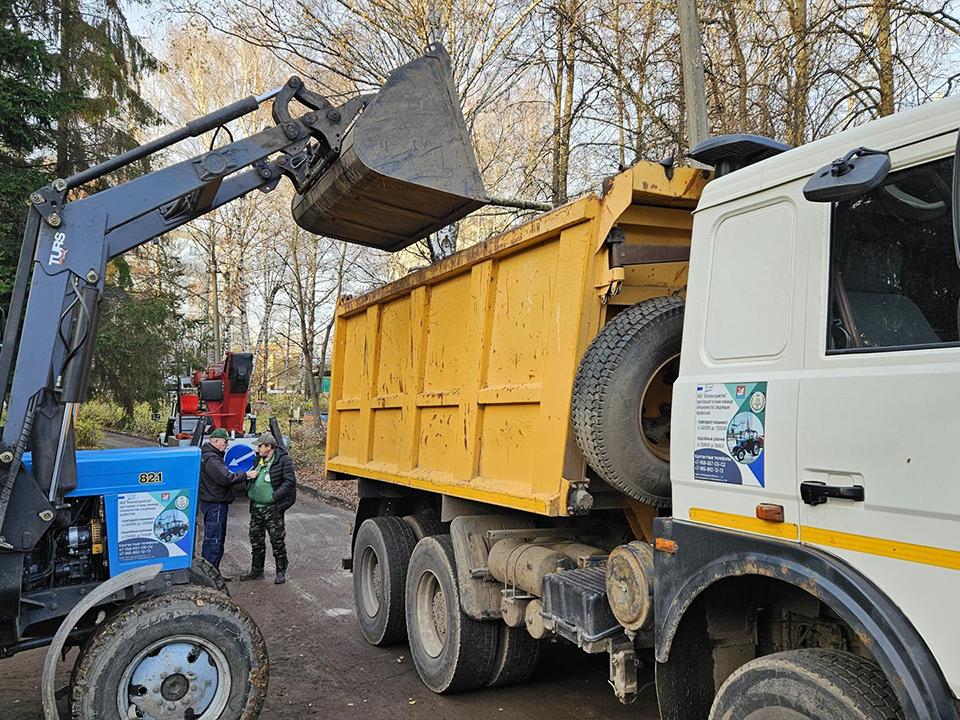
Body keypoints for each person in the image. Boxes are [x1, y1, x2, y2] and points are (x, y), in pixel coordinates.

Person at [240, 431, 297, 584]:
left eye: (260, 446)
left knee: (277, 540)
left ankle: (280, 571)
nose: (258, 449)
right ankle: (257, 570)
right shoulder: (258, 459)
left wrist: (274, 496)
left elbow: (290, 481)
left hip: (272, 508)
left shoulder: (283, 460)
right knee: (256, 540)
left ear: (269, 447)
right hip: (256, 508)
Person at [199, 428, 248, 578]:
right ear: (215, 442)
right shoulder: (212, 459)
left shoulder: (209, 455)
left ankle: (213, 573)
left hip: (212, 502)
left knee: (215, 540)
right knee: (214, 540)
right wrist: (245, 474)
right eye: (225, 442)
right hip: (216, 503)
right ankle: (210, 577)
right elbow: (226, 478)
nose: (226, 445)